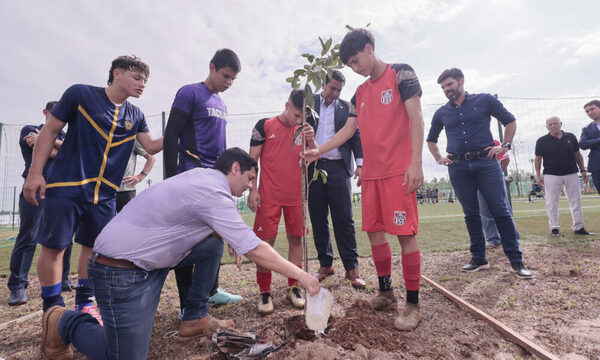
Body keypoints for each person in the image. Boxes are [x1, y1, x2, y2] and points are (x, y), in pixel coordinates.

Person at [39, 148, 321, 360]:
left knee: (212, 244)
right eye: (249, 178)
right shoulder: (214, 193)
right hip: (119, 271)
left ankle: (195, 316)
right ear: (235, 168)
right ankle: (63, 321)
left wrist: (227, 236)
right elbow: (255, 247)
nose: (249, 186)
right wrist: (301, 276)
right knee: (121, 356)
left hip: (146, 263)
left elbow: (202, 221)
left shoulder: (202, 177)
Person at [23, 55, 163, 323]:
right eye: (137, 77)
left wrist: (182, 123)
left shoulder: (136, 114)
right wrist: (35, 173)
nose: (142, 84)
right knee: (55, 247)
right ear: (117, 73)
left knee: (93, 248)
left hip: (105, 195)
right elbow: (50, 131)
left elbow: (152, 147)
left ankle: (85, 304)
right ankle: (52, 310)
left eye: (145, 80)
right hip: (67, 185)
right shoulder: (81, 94)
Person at [304, 28, 425, 331]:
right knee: (374, 232)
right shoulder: (360, 94)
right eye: (351, 65)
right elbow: (347, 132)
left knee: (405, 234)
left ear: (370, 49)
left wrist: (416, 163)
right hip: (370, 175)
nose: (355, 68)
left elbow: (416, 117)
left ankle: (413, 303)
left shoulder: (402, 74)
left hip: (399, 171)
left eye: (357, 61)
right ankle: (386, 292)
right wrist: (319, 150)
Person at [427, 67, 532, 279]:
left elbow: (510, 120)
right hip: (458, 166)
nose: (447, 89)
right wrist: (438, 157)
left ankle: (516, 260)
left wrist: (505, 145)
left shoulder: (484, 100)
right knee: (471, 214)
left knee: (500, 210)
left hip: (487, 162)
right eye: (443, 87)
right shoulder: (442, 112)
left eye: (450, 84)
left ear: (461, 81)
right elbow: (431, 139)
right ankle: (478, 258)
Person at [164, 48, 243, 310]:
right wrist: (170, 179)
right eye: (225, 76)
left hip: (215, 178)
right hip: (191, 173)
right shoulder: (189, 92)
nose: (228, 83)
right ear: (212, 67)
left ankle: (212, 289)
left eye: (233, 79)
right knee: (188, 238)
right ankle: (188, 303)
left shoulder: (221, 103)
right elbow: (172, 135)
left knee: (215, 234)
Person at [248, 89, 316, 315]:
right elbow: (252, 161)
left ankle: (293, 287)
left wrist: (311, 138)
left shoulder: (304, 129)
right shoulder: (264, 126)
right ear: (286, 105)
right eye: (296, 115)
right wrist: (253, 190)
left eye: (302, 117)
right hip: (269, 196)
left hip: (296, 196)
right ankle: (264, 291)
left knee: (296, 239)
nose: (298, 120)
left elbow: (315, 154)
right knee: (264, 244)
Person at [8, 101, 74, 306]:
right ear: (46, 112)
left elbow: (71, 155)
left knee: (65, 239)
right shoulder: (29, 130)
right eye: (56, 113)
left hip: (62, 191)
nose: (60, 118)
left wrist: (46, 141)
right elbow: (42, 150)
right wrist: (54, 146)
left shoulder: (67, 137)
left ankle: (63, 279)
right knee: (29, 236)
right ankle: (18, 286)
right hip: (36, 190)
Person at [306, 70, 366, 289]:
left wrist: (360, 163)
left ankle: (352, 268)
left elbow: (355, 134)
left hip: (339, 168)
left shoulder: (345, 107)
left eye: (339, 90)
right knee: (318, 218)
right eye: (332, 88)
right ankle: (326, 264)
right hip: (313, 168)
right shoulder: (308, 102)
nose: (335, 93)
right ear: (323, 84)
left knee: (344, 218)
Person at [535, 116, 592, 236]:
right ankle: (554, 228)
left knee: (576, 200)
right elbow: (538, 159)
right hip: (551, 175)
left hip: (571, 173)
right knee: (551, 202)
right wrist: (538, 175)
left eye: (555, 123)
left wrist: (583, 170)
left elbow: (577, 154)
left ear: (561, 124)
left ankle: (579, 227)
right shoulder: (541, 141)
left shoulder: (571, 137)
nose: (553, 126)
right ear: (547, 127)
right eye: (550, 125)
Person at [478, 139, 513, 248]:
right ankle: (493, 239)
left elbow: (506, 159)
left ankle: (511, 237)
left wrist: (498, 173)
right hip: (477, 179)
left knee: (503, 207)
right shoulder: (467, 143)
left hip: (495, 179)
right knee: (484, 210)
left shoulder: (494, 142)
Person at [116, 140, 155, 212]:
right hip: (105, 191)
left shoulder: (132, 139)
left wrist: (141, 176)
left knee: (128, 222)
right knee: (107, 223)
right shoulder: (103, 137)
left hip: (126, 190)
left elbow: (151, 158)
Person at [580, 100, 600, 193]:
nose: (590, 112)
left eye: (592, 109)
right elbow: (582, 144)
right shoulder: (586, 129)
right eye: (587, 111)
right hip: (597, 166)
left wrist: (592, 142)